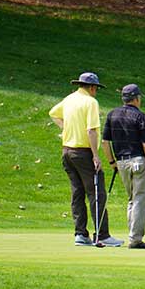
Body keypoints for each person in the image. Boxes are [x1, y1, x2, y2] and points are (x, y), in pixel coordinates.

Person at [49, 72, 124, 247]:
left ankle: (80, 234)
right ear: (92, 87)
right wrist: (95, 155)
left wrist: (66, 128)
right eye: (96, 88)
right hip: (83, 152)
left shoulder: (69, 99)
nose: (96, 91)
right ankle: (102, 235)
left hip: (67, 152)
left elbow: (53, 113)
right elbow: (91, 131)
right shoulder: (90, 102)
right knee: (96, 193)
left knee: (77, 193)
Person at [101, 84, 145, 249]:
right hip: (139, 161)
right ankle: (135, 239)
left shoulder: (112, 115)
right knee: (140, 199)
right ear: (137, 98)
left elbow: (105, 142)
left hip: (121, 163)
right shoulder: (141, 117)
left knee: (132, 200)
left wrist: (112, 162)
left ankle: (133, 235)